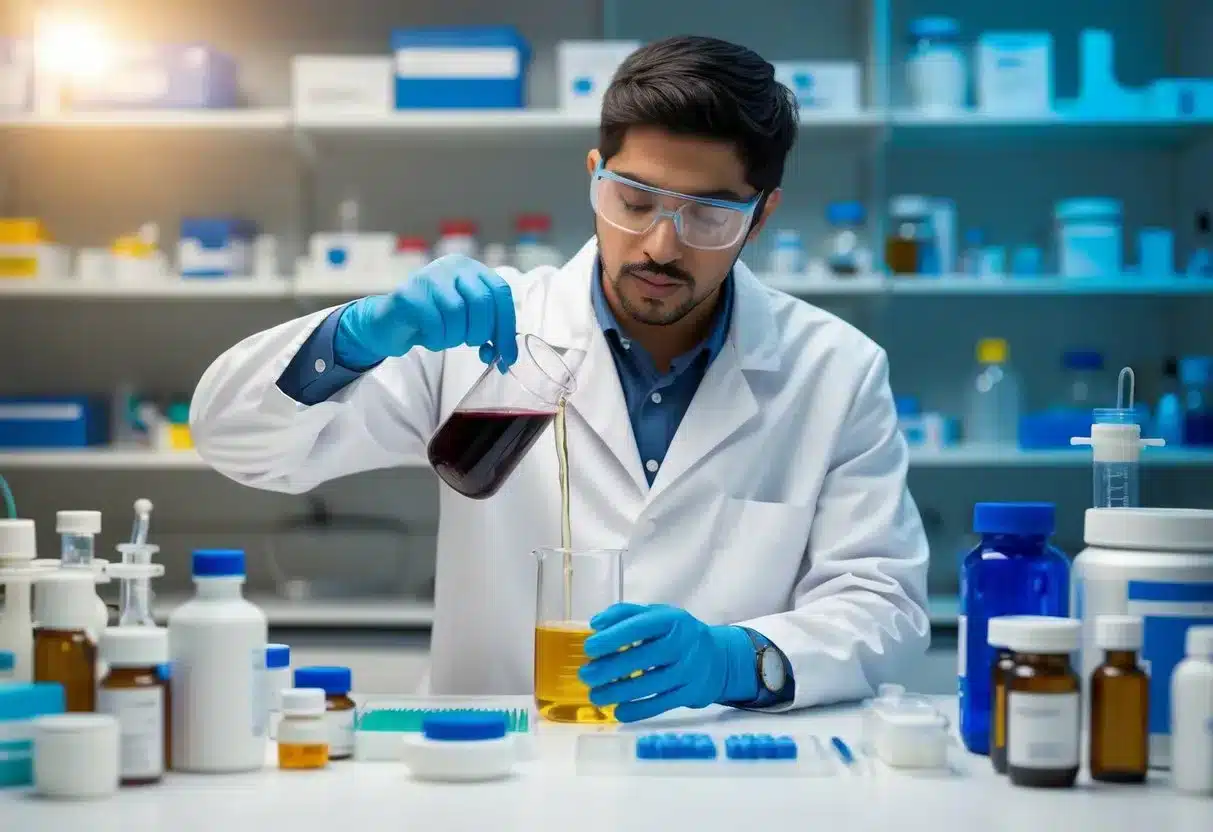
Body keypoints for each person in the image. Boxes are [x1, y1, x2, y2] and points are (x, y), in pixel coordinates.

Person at [190, 35, 930, 722]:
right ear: (593, 178)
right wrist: (355, 336)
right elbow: (238, 444)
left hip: (712, 762)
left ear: (759, 216)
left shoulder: (834, 370)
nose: (659, 246)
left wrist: (735, 661)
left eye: (706, 216)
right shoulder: (479, 335)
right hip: (495, 759)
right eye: (633, 201)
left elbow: (882, 607)